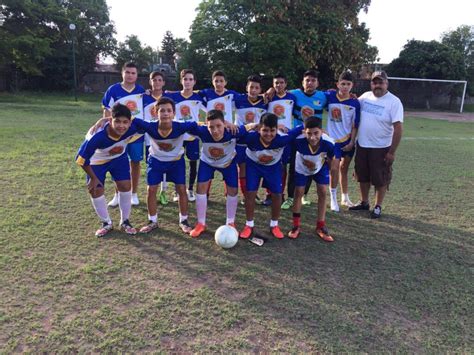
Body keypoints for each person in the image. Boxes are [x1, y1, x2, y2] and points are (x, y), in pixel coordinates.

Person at [75, 104, 143, 237]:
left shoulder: (133, 127)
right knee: (95, 189)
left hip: (118, 157)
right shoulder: (97, 136)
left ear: (130, 122)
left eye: (125, 122)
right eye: (117, 121)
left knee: (125, 185)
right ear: (110, 120)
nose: (121, 126)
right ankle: (106, 223)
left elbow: (153, 125)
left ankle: (125, 221)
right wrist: (93, 178)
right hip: (96, 160)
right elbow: (81, 159)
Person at [188, 110, 253, 238]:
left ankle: (230, 222)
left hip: (228, 163)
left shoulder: (234, 131)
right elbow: (185, 124)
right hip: (207, 162)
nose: (215, 130)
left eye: (219, 126)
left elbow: (250, 126)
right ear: (206, 126)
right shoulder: (202, 131)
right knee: (201, 188)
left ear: (225, 124)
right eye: (211, 127)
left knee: (233, 190)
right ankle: (201, 223)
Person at [239, 113, 303, 239]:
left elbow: (301, 127)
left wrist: (317, 130)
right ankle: (249, 225)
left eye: (272, 130)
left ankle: (274, 225)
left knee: (277, 194)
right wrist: (250, 126)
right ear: (259, 129)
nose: (269, 134)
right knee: (250, 193)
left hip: (273, 167)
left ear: (277, 129)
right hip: (253, 166)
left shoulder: (283, 138)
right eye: (265, 130)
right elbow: (235, 133)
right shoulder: (251, 137)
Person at [349, 71, 403, 219]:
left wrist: (391, 152)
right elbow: (352, 103)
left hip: (381, 147)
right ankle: (364, 202)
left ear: (387, 83)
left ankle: (378, 206)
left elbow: (398, 128)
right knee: (362, 176)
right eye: (375, 82)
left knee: (380, 178)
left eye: (381, 82)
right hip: (363, 145)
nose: (378, 85)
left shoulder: (394, 101)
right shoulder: (365, 97)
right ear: (371, 84)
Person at [276, 69, 328, 210]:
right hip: (297, 137)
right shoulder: (294, 94)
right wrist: (269, 90)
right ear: (302, 82)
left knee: (311, 166)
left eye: (313, 80)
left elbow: (338, 97)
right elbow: (278, 91)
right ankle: (291, 197)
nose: (310, 83)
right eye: (307, 80)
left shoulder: (323, 96)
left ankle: (303, 194)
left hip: (315, 138)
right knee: (294, 167)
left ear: (317, 83)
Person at [102, 62, 145, 207]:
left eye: (133, 73)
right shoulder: (113, 90)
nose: (130, 75)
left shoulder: (141, 90)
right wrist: (107, 129)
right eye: (128, 72)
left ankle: (133, 193)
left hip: (136, 134)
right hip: (118, 134)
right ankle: (117, 193)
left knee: (135, 162)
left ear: (137, 75)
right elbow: (107, 111)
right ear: (122, 73)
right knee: (117, 162)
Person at [287, 116, 336, 242]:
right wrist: (299, 129)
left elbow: (331, 159)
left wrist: (330, 172)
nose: (312, 137)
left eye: (316, 133)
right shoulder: (298, 140)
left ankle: (320, 226)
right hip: (301, 168)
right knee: (298, 192)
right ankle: (296, 226)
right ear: (304, 132)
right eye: (309, 133)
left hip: (319, 167)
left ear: (322, 131)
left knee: (323, 192)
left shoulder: (329, 142)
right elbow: (287, 136)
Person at [166, 69, 207, 203]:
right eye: (185, 79)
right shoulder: (174, 97)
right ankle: (177, 190)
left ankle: (189, 189)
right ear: (181, 81)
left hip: (193, 136)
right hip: (178, 135)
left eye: (190, 79)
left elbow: (210, 109)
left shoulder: (198, 97)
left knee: (193, 163)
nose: (188, 82)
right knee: (177, 163)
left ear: (194, 82)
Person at [325, 71, 360, 211]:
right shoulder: (330, 96)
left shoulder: (355, 103)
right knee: (333, 169)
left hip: (347, 141)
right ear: (337, 84)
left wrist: (352, 142)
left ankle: (345, 197)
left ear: (352, 86)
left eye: (348, 84)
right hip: (333, 142)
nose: (345, 87)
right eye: (343, 84)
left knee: (344, 169)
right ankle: (333, 198)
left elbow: (355, 125)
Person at [262, 73, 296, 206]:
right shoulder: (269, 97)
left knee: (283, 165)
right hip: (270, 136)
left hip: (285, 138)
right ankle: (269, 194)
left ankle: (280, 193)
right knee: (269, 163)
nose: (278, 85)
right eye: (276, 83)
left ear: (286, 84)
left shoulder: (292, 97)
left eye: (281, 83)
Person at [234, 75, 267, 203]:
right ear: (246, 88)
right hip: (241, 140)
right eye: (251, 87)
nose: (253, 90)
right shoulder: (238, 99)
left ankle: (253, 192)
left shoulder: (265, 101)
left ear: (260, 90)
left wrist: (270, 90)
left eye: (256, 88)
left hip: (256, 141)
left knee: (255, 167)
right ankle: (245, 194)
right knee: (242, 167)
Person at [142, 71, 170, 206]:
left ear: (163, 82)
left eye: (160, 80)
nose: (157, 82)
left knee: (165, 164)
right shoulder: (144, 97)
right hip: (149, 138)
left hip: (166, 137)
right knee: (152, 165)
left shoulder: (168, 97)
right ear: (150, 82)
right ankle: (153, 188)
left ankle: (164, 191)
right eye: (154, 80)